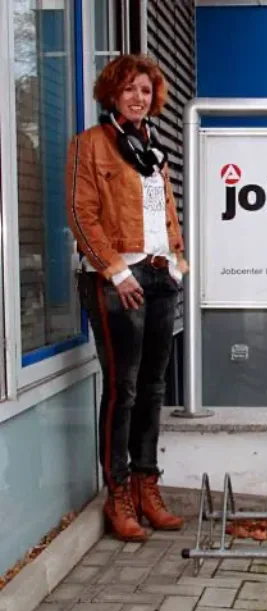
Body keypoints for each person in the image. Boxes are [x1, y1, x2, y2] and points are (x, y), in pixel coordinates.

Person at [66, 54, 187, 542]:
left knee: (154, 387)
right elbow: (81, 214)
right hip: (117, 278)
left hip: (159, 275)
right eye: (129, 89)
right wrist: (117, 271)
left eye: (145, 90)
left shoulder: (152, 149)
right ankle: (118, 493)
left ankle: (145, 485)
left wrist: (177, 261)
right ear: (113, 93)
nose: (138, 97)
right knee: (124, 388)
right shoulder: (90, 145)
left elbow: (165, 214)